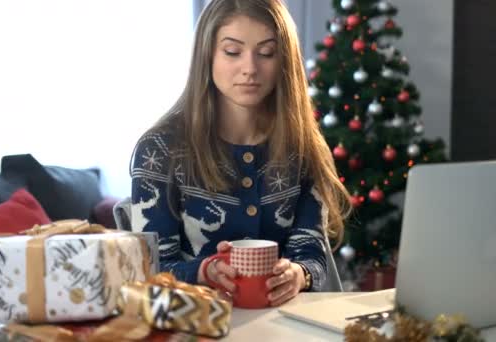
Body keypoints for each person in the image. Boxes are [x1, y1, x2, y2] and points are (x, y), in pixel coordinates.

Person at [130, 0, 351, 306]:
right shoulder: (160, 149)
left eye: (266, 53)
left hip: (283, 325)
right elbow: (150, 269)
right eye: (232, 51)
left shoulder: (303, 147)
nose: (250, 68)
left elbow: (310, 251)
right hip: (195, 326)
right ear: (207, 56)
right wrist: (203, 271)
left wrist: (299, 274)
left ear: (284, 61)